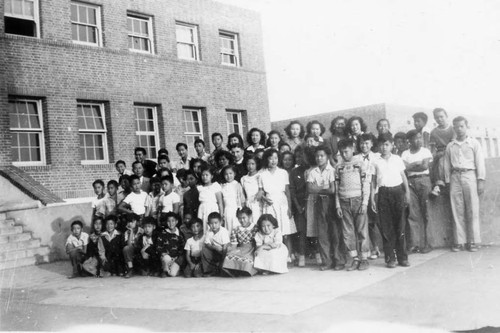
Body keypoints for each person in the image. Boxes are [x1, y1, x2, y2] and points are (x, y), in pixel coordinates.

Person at [444, 116, 485, 252]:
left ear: (466, 127)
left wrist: (480, 180)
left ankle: (473, 241)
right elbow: (446, 165)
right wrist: (448, 181)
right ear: (454, 128)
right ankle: (459, 241)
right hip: (455, 176)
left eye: (462, 126)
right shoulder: (450, 146)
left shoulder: (474, 143)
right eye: (456, 127)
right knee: (457, 209)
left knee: (472, 209)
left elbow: (480, 162)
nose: (459, 129)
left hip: (470, 176)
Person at [371, 133, 411, 268]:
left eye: (387, 144)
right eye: (381, 145)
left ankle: (403, 258)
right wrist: (372, 198)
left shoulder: (397, 159)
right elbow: (373, 182)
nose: (384, 147)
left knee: (400, 226)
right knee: (387, 228)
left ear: (392, 145)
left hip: (398, 192)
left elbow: (403, 177)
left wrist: (407, 193)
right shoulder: (375, 161)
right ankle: (390, 258)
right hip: (383, 193)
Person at [307, 145, 345, 271]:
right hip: (318, 203)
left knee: (335, 232)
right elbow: (310, 189)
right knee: (322, 234)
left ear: (327, 156)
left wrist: (318, 188)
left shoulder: (332, 170)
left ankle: (338, 261)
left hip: (332, 203)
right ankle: (327, 261)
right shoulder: (313, 172)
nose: (319, 158)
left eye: (322, 155)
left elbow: (333, 190)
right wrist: (324, 188)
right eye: (317, 156)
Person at [335, 139, 371, 271]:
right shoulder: (338, 167)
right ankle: (354, 259)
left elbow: (366, 184)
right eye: (342, 152)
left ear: (352, 149)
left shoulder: (360, 164)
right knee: (347, 233)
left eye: (346, 151)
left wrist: (365, 203)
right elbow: (336, 188)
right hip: (344, 202)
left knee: (362, 230)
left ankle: (364, 259)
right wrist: (338, 205)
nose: (344, 154)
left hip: (358, 201)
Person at [258, 149, 296, 261]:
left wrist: (289, 207)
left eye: (275, 158)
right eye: (270, 158)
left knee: (286, 232)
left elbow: (287, 191)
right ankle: (275, 257)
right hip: (269, 205)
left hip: (282, 203)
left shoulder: (283, 173)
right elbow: (261, 192)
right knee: (272, 231)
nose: (273, 161)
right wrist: (265, 199)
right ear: (266, 159)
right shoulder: (262, 175)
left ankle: (289, 255)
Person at [401, 129, 433, 254]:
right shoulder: (405, 153)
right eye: (415, 138)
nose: (418, 140)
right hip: (410, 182)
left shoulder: (425, 151)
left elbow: (425, 166)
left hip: (424, 181)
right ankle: (414, 244)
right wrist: (417, 164)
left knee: (426, 213)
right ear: (409, 141)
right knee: (412, 213)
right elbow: (405, 167)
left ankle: (427, 243)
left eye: (420, 137)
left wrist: (412, 165)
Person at [358, 133, 382, 260]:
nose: (364, 145)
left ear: (372, 144)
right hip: (361, 193)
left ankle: (380, 247)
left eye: (367, 143)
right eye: (362, 143)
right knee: (366, 222)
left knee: (377, 221)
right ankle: (369, 248)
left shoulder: (377, 157)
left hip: (376, 191)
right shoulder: (356, 158)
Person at [222, 207, 259, 276]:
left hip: (252, 248)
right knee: (230, 255)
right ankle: (233, 271)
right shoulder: (236, 229)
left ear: (249, 216)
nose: (242, 220)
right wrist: (231, 250)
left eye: (244, 218)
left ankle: (245, 271)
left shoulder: (255, 227)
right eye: (239, 218)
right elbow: (234, 244)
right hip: (240, 248)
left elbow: (259, 240)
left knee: (248, 258)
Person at [289, 146, 309, 267]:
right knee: (301, 231)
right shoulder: (294, 172)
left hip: (310, 203)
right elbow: (292, 191)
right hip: (299, 206)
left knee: (313, 230)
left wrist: (306, 205)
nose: (299, 158)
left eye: (302, 156)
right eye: (297, 156)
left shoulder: (311, 170)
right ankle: (302, 256)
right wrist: (298, 206)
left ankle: (317, 254)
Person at [429, 108, 456, 196]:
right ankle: (437, 184)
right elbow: (432, 148)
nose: (439, 119)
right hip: (439, 153)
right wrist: (434, 155)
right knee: (436, 162)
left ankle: (440, 183)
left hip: (452, 151)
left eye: (441, 116)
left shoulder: (453, 129)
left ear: (446, 116)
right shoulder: (434, 132)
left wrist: (444, 153)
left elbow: (453, 144)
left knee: (443, 160)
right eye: (437, 118)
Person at [156, 212, 186, 277]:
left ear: (176, 222)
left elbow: (182, 248)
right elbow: (158, 246)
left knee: (172, 274)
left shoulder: (180, 234)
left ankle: (174, 269)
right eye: (168, 221)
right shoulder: (163, 233)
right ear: (166, 222)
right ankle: (164, 270)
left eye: (173, 221)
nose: (171, 223)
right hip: (166, 257)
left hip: (175, 258)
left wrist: (176, 257)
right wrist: (162, 253)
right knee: (166, 258)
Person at [201, 212, 230, 277]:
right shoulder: (209, 232)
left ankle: (222, 266)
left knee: (228, 250)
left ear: (220, 222)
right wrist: (215, 247)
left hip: (223, 251)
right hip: (215, 250)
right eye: (211, 223)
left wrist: (223, 260)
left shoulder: (223, 231)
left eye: (216, 223)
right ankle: (210, 270)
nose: (213, 225)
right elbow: (207, 244)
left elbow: (225, 246)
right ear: (208, 224)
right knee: (204, 249)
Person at [197, 166, 223, 231]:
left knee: (213, 227)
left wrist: (221, 215)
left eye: (207, 175)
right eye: (203, 175)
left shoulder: (215, 186)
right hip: (202, 210)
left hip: (212, 209)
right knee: (203, 227)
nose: (204, 177)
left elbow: (220, 202)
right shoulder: (200, 188)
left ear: (211, 176)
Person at [220, 165, 245, 234]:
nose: (228, 176)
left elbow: (242, 199)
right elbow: (222, 201)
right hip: (227, 210)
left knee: (236, 225)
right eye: (226, 174)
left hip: (236, 209)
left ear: (234, 174)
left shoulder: (237, 185)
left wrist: (240, 210)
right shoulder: (223, 186)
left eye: (230, 173)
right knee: (228, 227)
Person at [241, 156, 262, 223]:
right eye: (248, 164)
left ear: (257, 164)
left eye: (253, 164)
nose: (250, 166)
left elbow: (262, 191)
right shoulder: (243, 178)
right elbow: (243, 194)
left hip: (259, 204)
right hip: (248, 205)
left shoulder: (260, 176)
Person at [122, 213, 144, 278]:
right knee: (126, 248)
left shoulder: (142, 230)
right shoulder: (126, 232)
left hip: (140, 250)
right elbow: (129, 245)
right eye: (129, 222)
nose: (130, 224)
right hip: (132, 251)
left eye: (132, 221)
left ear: (136, 221)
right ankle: (130, 268)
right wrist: (131, 232)